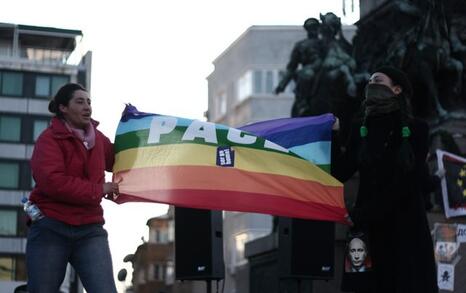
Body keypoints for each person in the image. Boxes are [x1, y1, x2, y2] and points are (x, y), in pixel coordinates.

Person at [333, 66, 438, 292]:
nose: (371, 84)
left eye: (378, 80)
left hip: (404, 226)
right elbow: (339, 172)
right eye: (369, 81)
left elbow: (408, 182)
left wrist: (364, 213)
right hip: (366, 230)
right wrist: (333, 135)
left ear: (397, 89)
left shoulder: (417, 129)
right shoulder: (360, 128)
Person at [26, 83, 119, 293]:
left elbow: (120, 160)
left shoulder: (98, 139)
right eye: (80, 101)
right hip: (51, 227)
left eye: (89, 102)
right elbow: (53, 183)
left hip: (90, 229)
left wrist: (140, 136)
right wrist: (98, 189)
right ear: (63, 108)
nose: (87, 107)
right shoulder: (48, 140)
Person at [275, 17, 323, 117]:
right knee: (306, 75)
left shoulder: (325, 43)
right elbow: (292, 67)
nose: (313, 29)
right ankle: (303, 104)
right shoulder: (300, 45)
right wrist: (282, 84)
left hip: (324, 68)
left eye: (315, 27)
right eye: (310, 27)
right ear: (306, 29)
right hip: (308, 70)